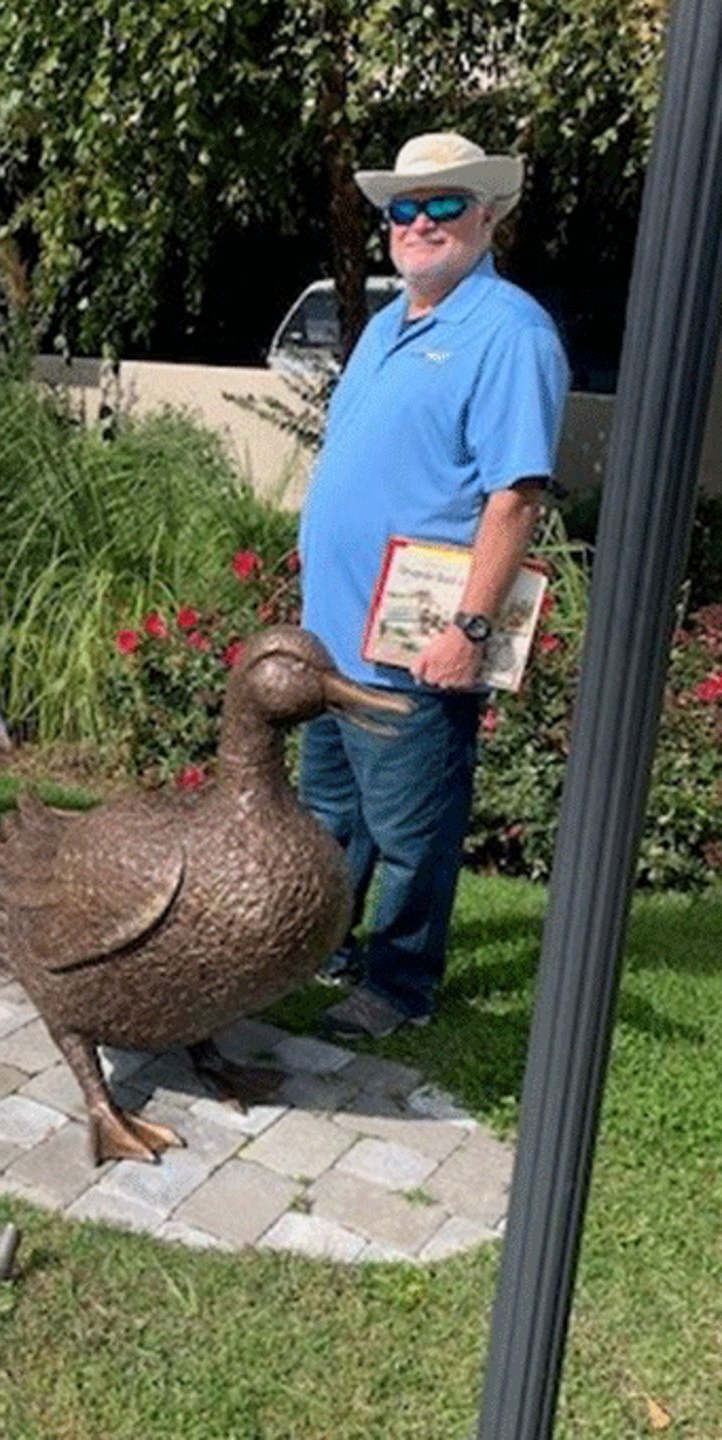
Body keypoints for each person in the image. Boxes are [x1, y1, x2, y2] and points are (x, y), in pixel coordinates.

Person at [298, 132, 569, 1039]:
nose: (418, 223)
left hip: (415, 637)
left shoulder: (511, 332)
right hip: (332, 636)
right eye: (403, 209)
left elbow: (515, 497)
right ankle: (322, 950)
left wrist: (470, 627)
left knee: (413, 829)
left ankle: (401, 985)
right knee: (332, 814)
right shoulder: (387, 324)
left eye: (442, 204)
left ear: (485, 217)